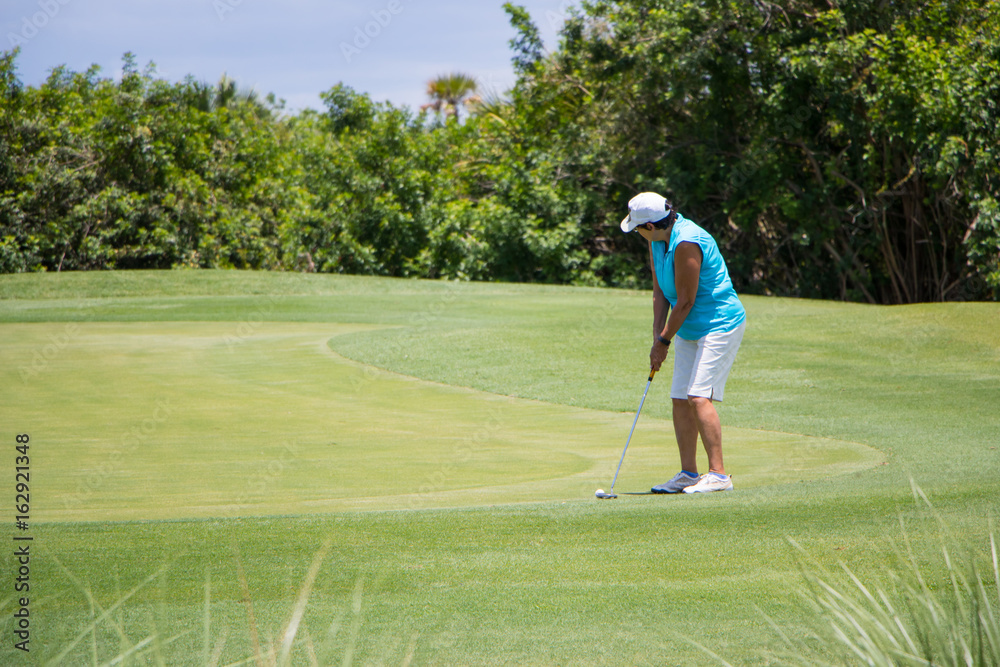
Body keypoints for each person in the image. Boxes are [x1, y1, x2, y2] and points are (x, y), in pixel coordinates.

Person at [619, 192, 747, 493]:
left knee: (699, 396)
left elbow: (686, 300)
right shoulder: (658, 242)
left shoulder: (687, 242)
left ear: (650, 226)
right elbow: (660, 291)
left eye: (637, 229)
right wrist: (656, 336)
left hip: (719, 324)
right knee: (680, 397)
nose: (637, 234)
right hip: (687, 328)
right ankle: (689, 473)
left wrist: (664, 341)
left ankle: (719, 475)